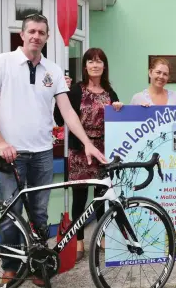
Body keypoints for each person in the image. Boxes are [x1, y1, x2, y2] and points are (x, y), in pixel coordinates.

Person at [0, 14, 107, 285]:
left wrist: (86, 142)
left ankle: (37, 266)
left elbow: (68, 111)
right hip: (11, 154)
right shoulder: (3, 62)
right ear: (22, 35)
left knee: (39, 215)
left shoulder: (54, 70)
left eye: (41, 32)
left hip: (42, 153)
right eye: (32, 31)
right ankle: (10, 268)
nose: (36, 36)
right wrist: (1, 144)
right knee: (10, 216)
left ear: (47, 37)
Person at [54, 48, 122, 262]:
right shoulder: (75, 90)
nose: (95, 65)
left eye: (99, 61)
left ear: (104, 66)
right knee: (80, 199)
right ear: (85, 66)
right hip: (79, 150)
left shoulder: (110, 92)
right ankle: (79, 240)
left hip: (104, 149)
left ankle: (100, 237)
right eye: (91, 61)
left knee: (102, 197)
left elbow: (119, 122)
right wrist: (60, 91)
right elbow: (59, 118)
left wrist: (119, 108)